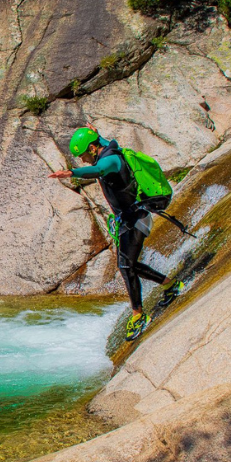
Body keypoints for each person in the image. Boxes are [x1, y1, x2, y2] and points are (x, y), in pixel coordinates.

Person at [48, 126, 183, 340]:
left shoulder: (110, 159)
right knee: (130, 265)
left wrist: (72, 173)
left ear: (92, 148)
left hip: (137, 217)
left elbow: (98, 170)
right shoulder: (106, 148)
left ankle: (139, 315)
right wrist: (96, 132)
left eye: (83, 155)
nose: (82, 160)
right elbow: (103, 143)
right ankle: (171, 285)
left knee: (126, 265)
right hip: (127, 220)